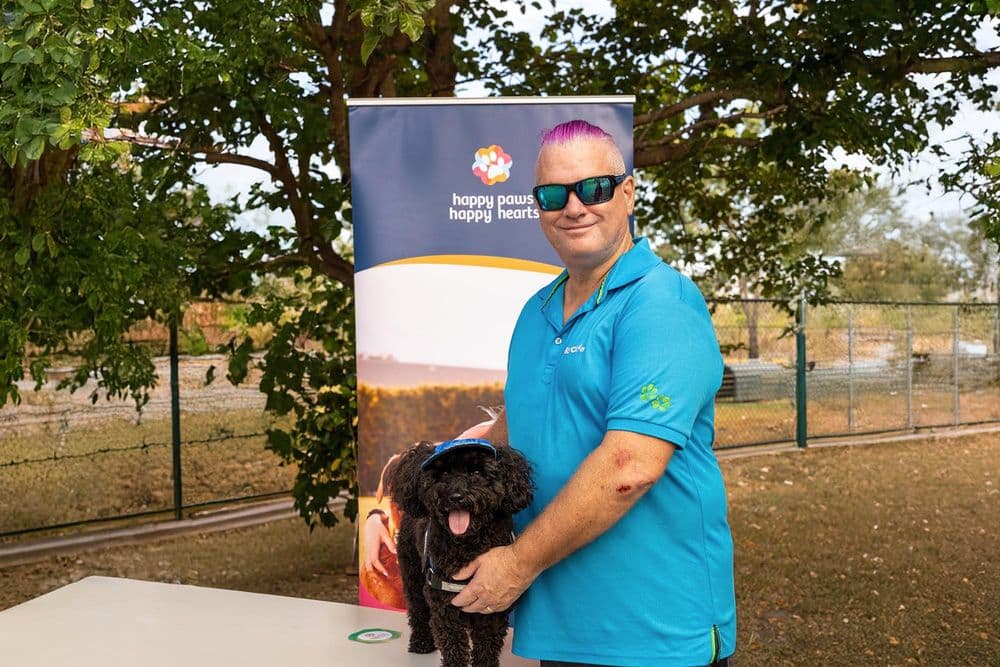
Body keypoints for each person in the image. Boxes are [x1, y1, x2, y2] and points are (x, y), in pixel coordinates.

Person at [449, 119, 736, 667]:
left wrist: (516, 564)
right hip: (558, 625)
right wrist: (460, 463)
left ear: (627, 193)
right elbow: (524, 421)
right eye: (554, 194)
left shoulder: (661, 304)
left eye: (594, 188)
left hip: (656, 634)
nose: (574, 207)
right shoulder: (536, 313)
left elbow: (630, 464)